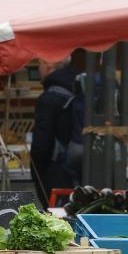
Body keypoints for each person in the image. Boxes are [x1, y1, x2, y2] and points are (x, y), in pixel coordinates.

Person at [29, 57, 82, 205]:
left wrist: (37, 173)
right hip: (82, 170)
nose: (38, 68)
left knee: (58, 222)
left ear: (48, 64)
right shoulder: (80, 87)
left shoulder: (50, 97)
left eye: (39, 63)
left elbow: (41, 144)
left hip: (58, 172)